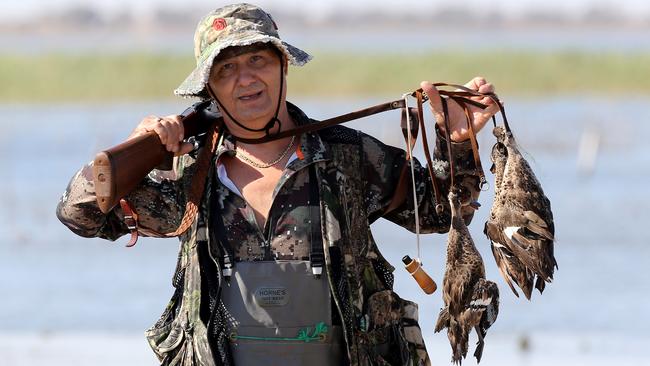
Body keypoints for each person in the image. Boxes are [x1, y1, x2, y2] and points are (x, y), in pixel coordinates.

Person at [57, 3, 499, 365]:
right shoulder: (187, 172)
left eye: (257, 60)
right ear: (207, 87)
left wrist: (457, 143)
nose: (245, 78)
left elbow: (441, 215)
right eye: (226, 68)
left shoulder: (346, 155)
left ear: (283, 65)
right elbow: (79, 214)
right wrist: (139, 146)